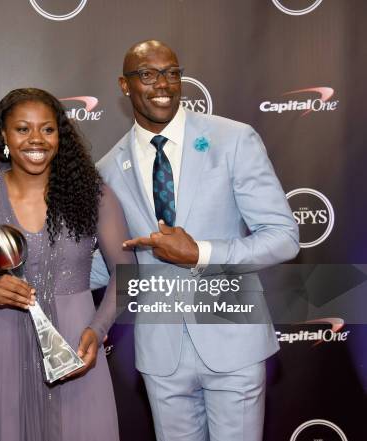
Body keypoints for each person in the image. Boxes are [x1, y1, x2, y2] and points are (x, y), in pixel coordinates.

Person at [91, 40, 300, 441]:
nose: (163, 84)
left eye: (172, 72)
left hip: (233, 342)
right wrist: (42, 274)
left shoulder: (233, 139)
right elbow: (112, 264)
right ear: (124, 85)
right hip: (160, 352)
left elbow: (284, 237)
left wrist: (200, 253)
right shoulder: (108, 169)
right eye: (148, 74)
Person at [0, 88, 135, 441]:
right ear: (3, 136)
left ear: (60, 136)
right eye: (23, 129)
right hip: (6, 351)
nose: (36, 139)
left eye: (47, 129)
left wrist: (96, 331)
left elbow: (128, 272)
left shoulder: (92, 194)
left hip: (77, 348)